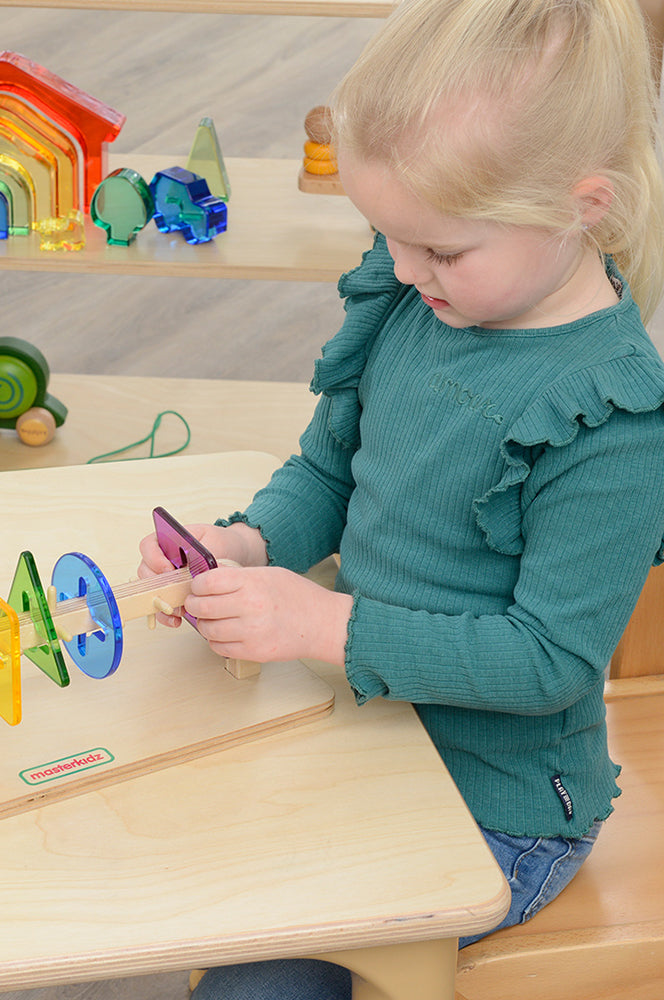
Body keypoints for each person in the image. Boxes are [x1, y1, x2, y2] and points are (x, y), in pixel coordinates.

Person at [137, 1, 664, 996]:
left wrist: (323, 622)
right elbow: (331, 472)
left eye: (442, 251)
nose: (406, 268)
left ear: (580, 206)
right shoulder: (413, 294)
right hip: (357, 718)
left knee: (265, 970)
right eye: (389, 234)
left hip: (497, 806)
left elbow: (547, 660)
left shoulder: (616, 419)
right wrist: (252, 547)